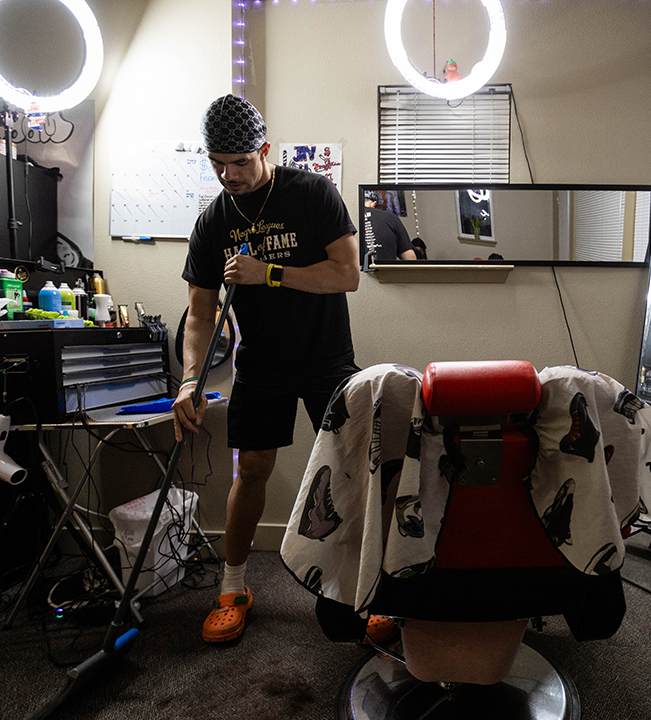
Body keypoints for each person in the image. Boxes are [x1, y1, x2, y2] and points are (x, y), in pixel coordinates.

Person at [174, 94, 389, 644]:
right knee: (252, 471)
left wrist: (266, 272)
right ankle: (233, 588)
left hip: (325, 357)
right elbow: (198, 314)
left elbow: (347, 275)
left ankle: (371, 589)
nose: (229, 175)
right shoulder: (213, 222)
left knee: (353, 471)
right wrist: (190, 379)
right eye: (217, 163)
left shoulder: (312, 192)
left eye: (240, 162)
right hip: (261, 363)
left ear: (264, 150)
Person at [362, 190, 415, 261]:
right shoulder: (391, 218)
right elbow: (410, 258)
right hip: (384, 268)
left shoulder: (350, 217)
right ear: (374, 203)